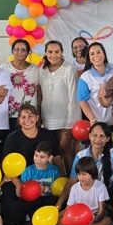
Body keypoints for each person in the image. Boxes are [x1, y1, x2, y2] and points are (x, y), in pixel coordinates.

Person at [58, 122, 113, 216]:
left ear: (107, 139)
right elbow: (72, 181)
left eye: (102, 136)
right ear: (89, 136)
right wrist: (58, 204)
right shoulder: (81, 155)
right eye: (94, 135)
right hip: (89, 194)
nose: (98, 139)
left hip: (111, 194)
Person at [1, 141, 62, 225]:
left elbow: (58, 188)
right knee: (15, 206)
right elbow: (22, 189)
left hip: (47, 200)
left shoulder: (55, 170)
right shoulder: (28, 171)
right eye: (36, 155)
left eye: (42, 157)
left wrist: (46, 189)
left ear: (50, 158)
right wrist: (21, 192)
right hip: (31, 200)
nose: (38, 159)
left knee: (56, 201)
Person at [39, 40, 80, 173]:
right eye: (50, 52)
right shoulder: (42, 70)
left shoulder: (69, 69)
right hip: (47, 119)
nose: (53, 55)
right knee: (54, 154)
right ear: (45, 53)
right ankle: (58, 180)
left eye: (57, 52)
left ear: (62, 52)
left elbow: (73, 96)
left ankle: (72, 180)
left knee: (66, 150)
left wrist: (70, 122)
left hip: (65, 119)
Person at [60, 156, 112, 225]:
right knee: (60, 222)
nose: (81, 177)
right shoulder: (74, 188)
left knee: (108, 221)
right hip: (78, 216)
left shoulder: (100, 186)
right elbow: (68, 209)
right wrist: (57, 215)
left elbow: (102, 211)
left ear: (92, 174)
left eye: (84, 174)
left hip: (94, 215)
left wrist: (94, 220)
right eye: (79, 174)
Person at [77, 42, 113, 126]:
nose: (96, 56)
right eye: (92, 54)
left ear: (104, 54)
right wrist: (92, 119)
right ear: (89, 58)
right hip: (99, 122)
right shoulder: (85, 77)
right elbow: (82, 101)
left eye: (99, 52)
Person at [4, 39, 40, 128]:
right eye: (16, 49)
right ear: (12, 51)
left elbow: (39, 92)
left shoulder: (35, 69)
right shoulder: (4, 68)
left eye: (23, 50)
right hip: (10, 114)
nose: (19, 52)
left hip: (30, 115)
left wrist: (39, 111)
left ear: (28, 52)